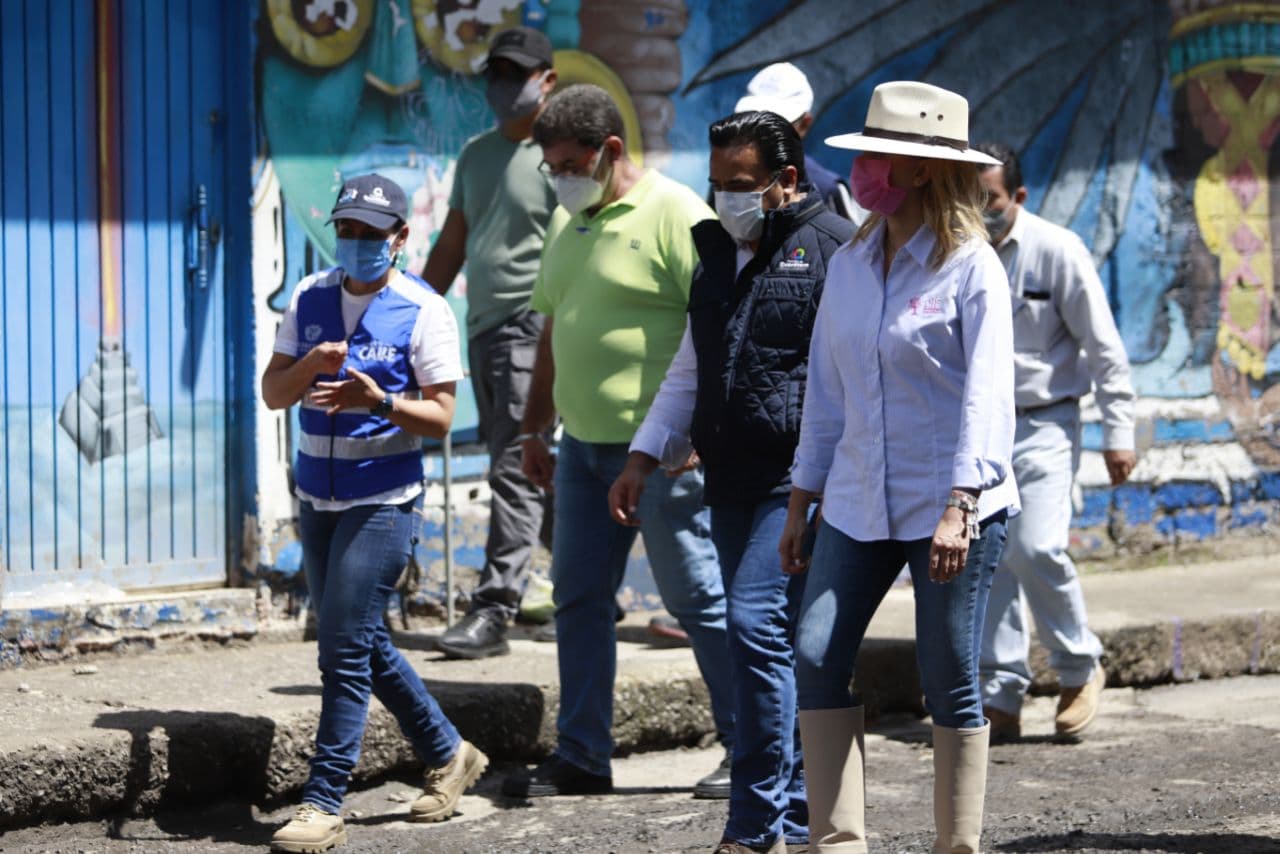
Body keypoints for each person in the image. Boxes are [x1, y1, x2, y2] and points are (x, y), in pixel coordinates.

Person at [779, 81, 1017, 854]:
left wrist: (961, 501)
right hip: (854, 499)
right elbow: (826, 389)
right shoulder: (850, 263)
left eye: (882, 157)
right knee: (815, 653)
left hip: (950, 501)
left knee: (946, 673)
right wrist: (799, 499)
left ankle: (957, 845)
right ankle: (839, 842)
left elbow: (987, 397)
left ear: (920, 170)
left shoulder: (970, 267)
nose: (866, 170)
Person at [610, 111, 854, 854]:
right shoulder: (714, 251)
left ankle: (756, 823)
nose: (726, 199)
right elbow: (691, 366)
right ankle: (799, 812)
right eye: (716, 184)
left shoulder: (837, 250)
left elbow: (848, 381)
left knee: (755, 628)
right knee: (774, 648)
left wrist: (824, 485)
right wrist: (643, 455)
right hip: (729, 482)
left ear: (787, 179)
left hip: (799, 482)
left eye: (741, 186)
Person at [499, 84, 736, 801]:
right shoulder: (570, 227)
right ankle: (581, 754)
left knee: (699, 600)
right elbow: (554, 330)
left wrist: (699, 430)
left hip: (664, 453)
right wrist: (534, 428)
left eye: (570, 165)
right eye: (551, 168)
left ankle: (753, 747)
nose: (561, 179)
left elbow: (723, 331)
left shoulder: (679, 216)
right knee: (578, 601)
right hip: (581, 451)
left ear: (611, 151)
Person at [262, 174, 486, 853]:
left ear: (399, 238)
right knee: (357, 638)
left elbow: (442, 418)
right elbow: (276, 393)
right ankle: (451, 754)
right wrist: (313, 367)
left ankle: (323, 801)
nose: (356, 243)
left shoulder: (423, 309)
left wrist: (379, 402)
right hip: (318, 499)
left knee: (340, 651)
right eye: (347, 230)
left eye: (370, 233)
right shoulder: (309, 297)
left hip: (384, 503)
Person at [974, 141, 1138, 742]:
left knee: (1036, 547)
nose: (977, 209)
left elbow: (1103, 347)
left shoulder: (1057, 250)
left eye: (988, 198)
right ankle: (1000, 694)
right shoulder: (957, 252)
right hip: (978, 429)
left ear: (1017, 197)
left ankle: (1078, 666)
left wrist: (1119, 433)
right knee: (985, 561)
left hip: (1045, 423)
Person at [425, 27, 559, 660]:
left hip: (538, 326)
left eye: (518, 73)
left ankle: (496, 607)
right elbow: (451, 245)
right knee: (542, 462)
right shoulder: (477, 156)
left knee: (515, 462)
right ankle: (587, 590)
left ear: (548, 81)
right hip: (484, 328)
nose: (505, 85)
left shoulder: (562, 156)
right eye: (497, 73)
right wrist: (412, 315)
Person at [735, 62, 861, 222]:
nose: (761, 134)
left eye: (776, 126)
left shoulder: (826, 189)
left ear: (804, 124)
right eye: (751, 122)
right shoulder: (727, 178)